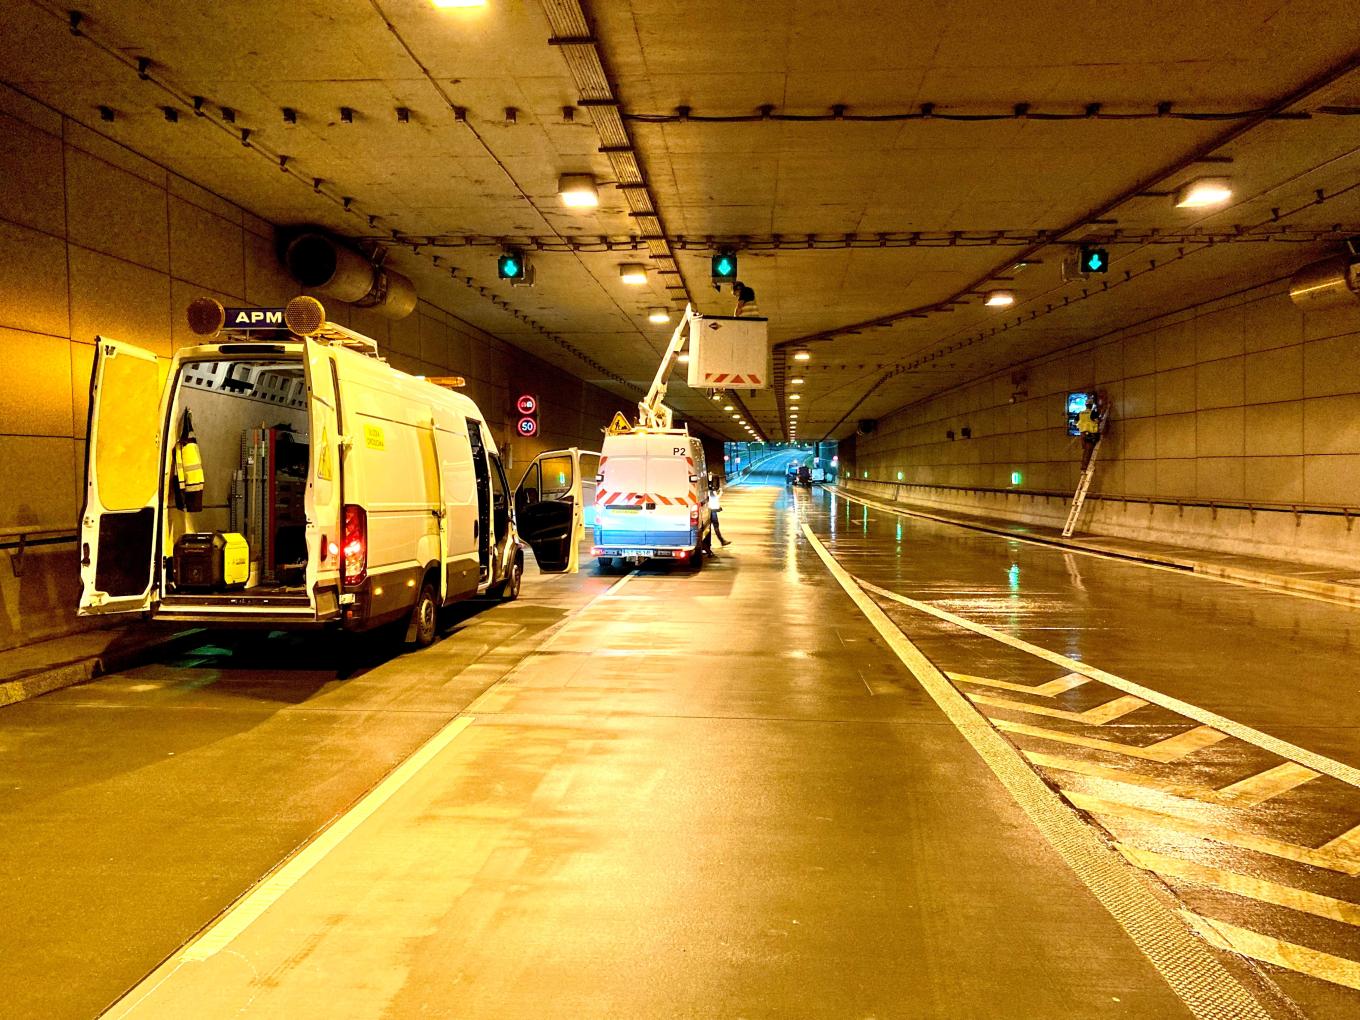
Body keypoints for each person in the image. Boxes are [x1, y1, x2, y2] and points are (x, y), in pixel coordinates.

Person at [1077, 393, 1104, 470]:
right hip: (1091, 435)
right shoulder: (1092, 413)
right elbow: (1097, 421)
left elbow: (1075, 422)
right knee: (1089, 451)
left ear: (1085, 405)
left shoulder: (1080, 413)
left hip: (1082, 435)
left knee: (1085, 451)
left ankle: (1083, 466)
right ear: (1091, 405)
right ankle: (1085, 467)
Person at [708, 477, 731, 548]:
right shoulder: (711, 490)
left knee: (713, 527)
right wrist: (720, 493)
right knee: (716, 526)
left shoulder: (709, 490)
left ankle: (721, 541)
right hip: (712, 510)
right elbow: (714, 498)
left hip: (711, 510)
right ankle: (722, 541)